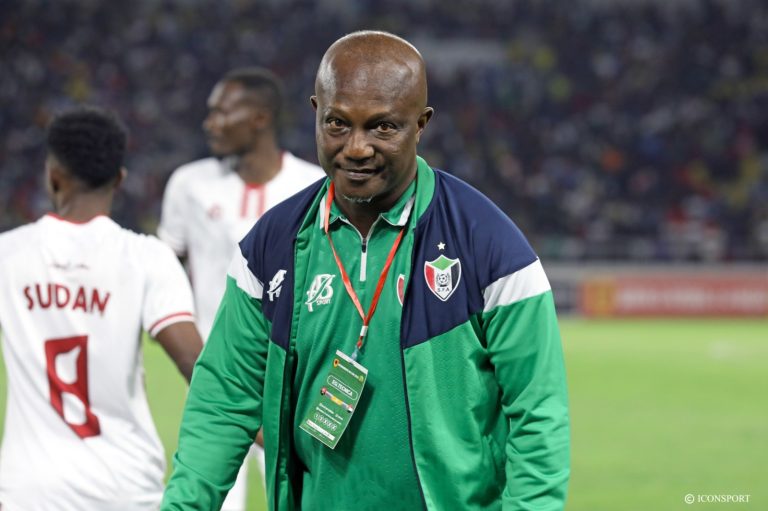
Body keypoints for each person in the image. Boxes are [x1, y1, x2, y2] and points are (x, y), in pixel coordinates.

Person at [162, 30, 570, 511]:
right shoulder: (271, 246)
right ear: (316, 112)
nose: (356, 148)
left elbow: (538, 415)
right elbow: (222, 402)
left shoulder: (489, 244)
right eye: (337, 123)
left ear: (421, 124)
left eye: (383, 127)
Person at [0, 106, 204, 510]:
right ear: (119, 179)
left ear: (52, 175)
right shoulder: (147, 258)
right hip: (125, 488)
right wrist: (275, 437)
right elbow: (196, 365)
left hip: (29, 491)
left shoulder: (8, 254)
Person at [157, 66, 324, 509]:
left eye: (221, 112)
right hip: (220, 374)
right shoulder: (189, 184)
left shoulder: (312, 186)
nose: (209, 123)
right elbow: (166, 267)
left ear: (260, 118)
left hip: (293, 380)